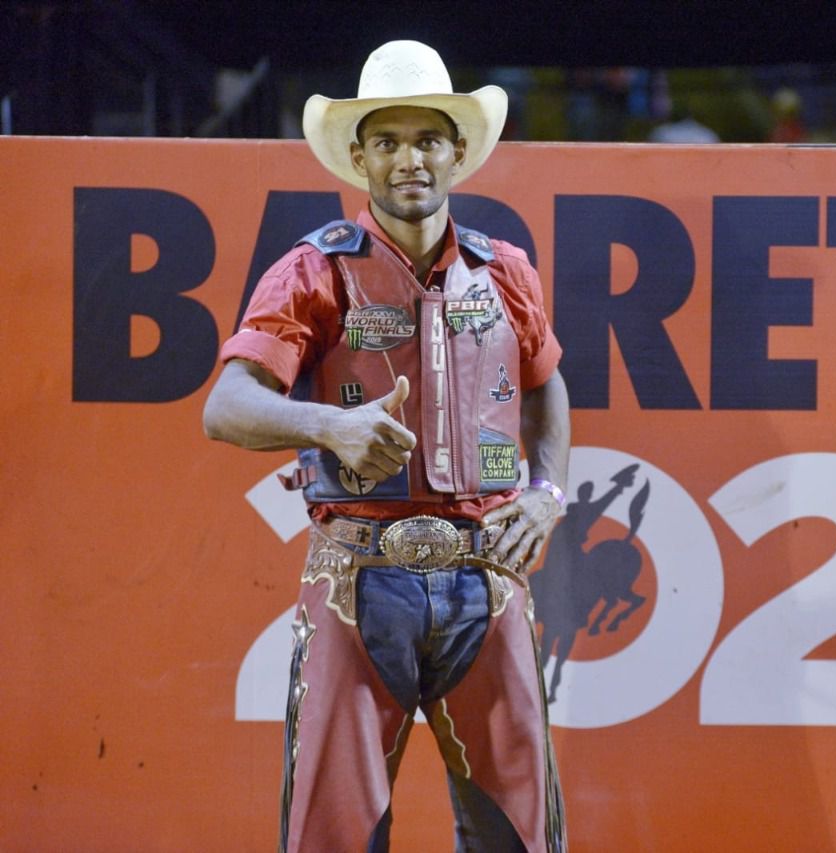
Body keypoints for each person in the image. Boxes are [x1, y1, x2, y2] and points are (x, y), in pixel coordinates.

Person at [202, 40, 569, 853]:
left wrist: (549, 493)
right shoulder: (314, 270)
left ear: (458, 151)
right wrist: (328, 425)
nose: (410, 159)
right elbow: (224, 406)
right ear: (360, 156)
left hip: (489, 575)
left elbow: (546, 385)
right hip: (358, 581)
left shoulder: (505, 271)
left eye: (428, 139)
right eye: (389, 142)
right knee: (335, 832)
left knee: (521, 832)